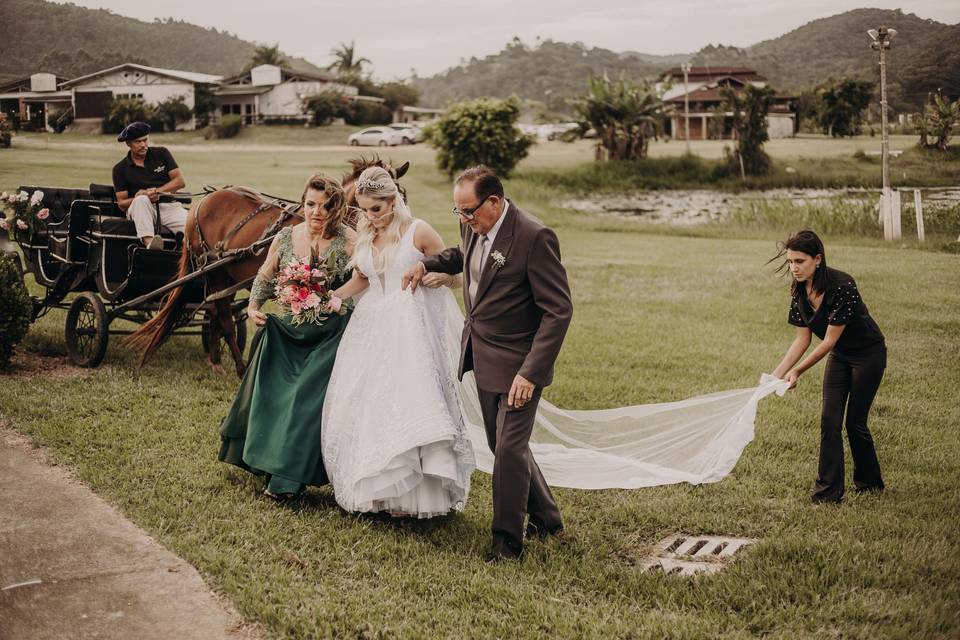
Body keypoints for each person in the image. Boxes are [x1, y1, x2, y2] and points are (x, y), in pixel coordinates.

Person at [403, 165, 573, 561]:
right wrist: (429, 264)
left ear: (494, 202)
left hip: (519, 366)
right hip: (482, 353)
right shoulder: (474, 227)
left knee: (510, 450)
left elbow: (558, 311)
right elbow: (465, 256)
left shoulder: (534, 236)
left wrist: (530, 372)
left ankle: (506, 543)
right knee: (501, 445)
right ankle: (547, 517)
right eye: (458, 212)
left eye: (468, 211)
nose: (463, 219)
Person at [322, 166, 475, 519]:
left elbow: (457, 272)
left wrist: (438, 278)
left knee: (409, 401)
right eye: (363, 209)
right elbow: (363, 278)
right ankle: (377, 490)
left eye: (376, 209)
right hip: (370, 327)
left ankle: (413, 495)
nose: (370, 216)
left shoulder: (417, 231)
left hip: (408, 329)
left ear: (393, 201)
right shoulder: (364, 235)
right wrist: (334, 296)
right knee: (368, 403)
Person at [218, 173, 355, 500]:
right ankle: (264, 458)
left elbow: (366, 279)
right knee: (273, 387)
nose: (316, 212)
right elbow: (266, 276)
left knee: (303, 399)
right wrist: (253, 306)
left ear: (336, 208)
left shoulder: (349, 239)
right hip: (291, 329)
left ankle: (286, 481)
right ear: (302, 203)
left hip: (331, 333)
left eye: (325, 206)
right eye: (310, 204)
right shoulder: (285, 237)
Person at [770, 229, 887, 503]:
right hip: (840, 356)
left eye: (799, 261)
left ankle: (869, 483)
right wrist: (774, 375)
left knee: (855, 422)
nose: (794, 268)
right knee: (829, 420)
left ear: (817, 259)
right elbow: (802, 338)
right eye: (790, 262)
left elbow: (829, 341)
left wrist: (797, 371)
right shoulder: (798, 290)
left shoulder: (843, 285)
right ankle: (828, 493)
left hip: (868, 354)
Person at [112, 121, 187, 249]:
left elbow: (180, 181)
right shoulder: (119, 169)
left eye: (145, 140)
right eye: (138, 142)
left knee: (193, 226)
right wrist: (141, 196)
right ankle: (150, 244)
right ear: (128, 143)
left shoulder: (162, 153)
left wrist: (157, 191)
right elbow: (122, 204)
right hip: (140, 209)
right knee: (141, 199)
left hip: (168, 207)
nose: (143, 145)